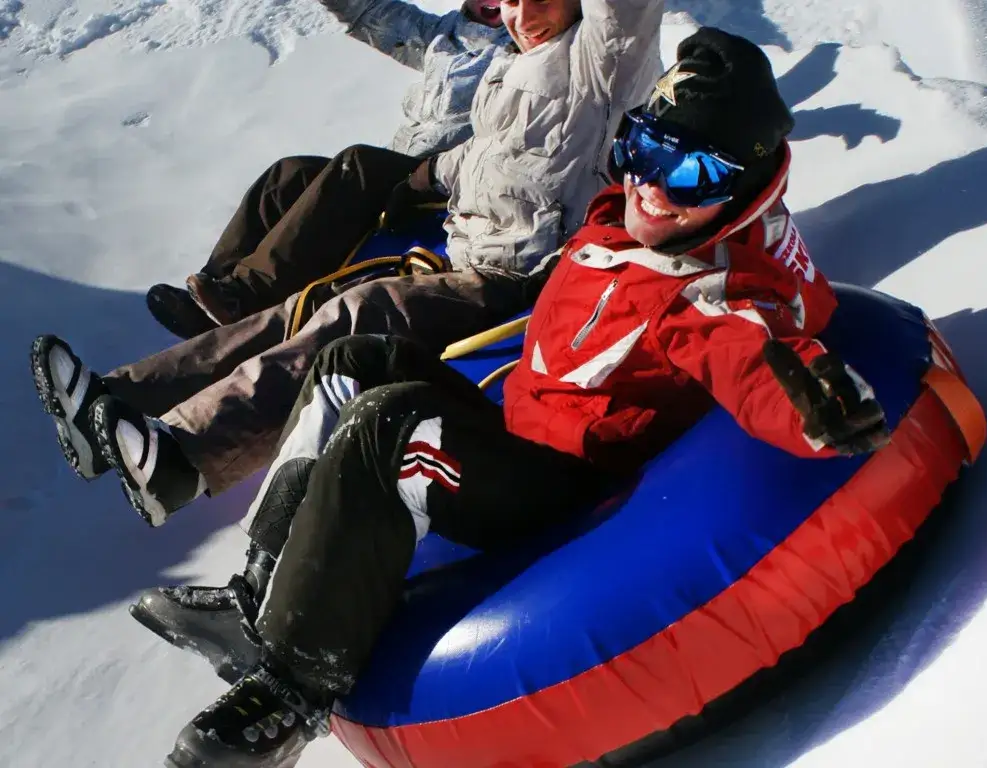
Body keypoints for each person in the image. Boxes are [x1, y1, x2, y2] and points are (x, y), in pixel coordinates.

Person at [141, 28, 890, 768]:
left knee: (387, 424)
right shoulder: (639, 222)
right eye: (644, 149)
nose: (651, 187)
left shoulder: (710, 286)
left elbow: (754, 351)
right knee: (355, 360)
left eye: (688, 174)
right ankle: (259, 592)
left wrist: (816, 408)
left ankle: (290, 693)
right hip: (522, 427)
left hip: (565, 484)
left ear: (744, 186)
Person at [31, 0, 665, 527]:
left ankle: (184, 458)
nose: (524, 14)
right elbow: (485, 158)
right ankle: (115, 404)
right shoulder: (511, 68)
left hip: (515, 279)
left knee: (358, 314)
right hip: (455, 257)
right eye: (513, 0)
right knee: (297, 311)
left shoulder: (600, 63)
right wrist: (420, 175)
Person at [148, 0, 513, 339]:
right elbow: (374, 12)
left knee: (358, 164)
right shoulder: (446, 35)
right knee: (290, 174)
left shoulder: (522, 51)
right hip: (404, 164)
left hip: (448, 175)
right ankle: (216, 289)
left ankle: (248, 294)